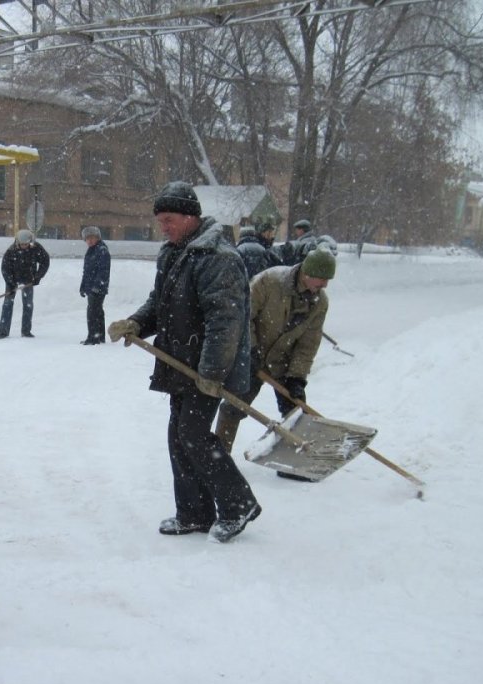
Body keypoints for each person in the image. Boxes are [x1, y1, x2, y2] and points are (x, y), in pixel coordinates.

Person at [107, 181, 260, 543]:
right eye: (161, 220)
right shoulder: (174, 253)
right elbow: (159, 303)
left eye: (169, 219)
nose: (164, 227)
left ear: (191, 217)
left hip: (204, 368)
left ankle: (239, 504)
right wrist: (137, 323)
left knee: (191, 435)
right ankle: (194, 513)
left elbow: (225, 323)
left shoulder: (218, 258)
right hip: (180, 363)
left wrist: (212, 373)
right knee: (179, 437)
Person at [213, 246, 335, 481]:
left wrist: (297, 377)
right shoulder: (269, 281)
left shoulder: (319, 302)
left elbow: (308, 343)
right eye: (322, 279)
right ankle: (219, 457)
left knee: (296, 411)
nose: (325, 285)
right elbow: (242, 316)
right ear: (308, 273)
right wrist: (249, 351)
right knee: (234, 405)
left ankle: (291, 464)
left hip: (283, 363)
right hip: (251, 356)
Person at [0, 229, 50, 339]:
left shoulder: (36, 248)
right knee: (7, 304)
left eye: (26, 244)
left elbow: (45, 261)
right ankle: (3, 332)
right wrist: (10, 282)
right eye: (21, 244)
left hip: (29, 281)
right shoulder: (11, 250)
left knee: (28, 305)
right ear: (17, 242)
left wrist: (38, 276)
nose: (24, 246)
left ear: (30, 242)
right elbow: (5, 268)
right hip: (12, 280)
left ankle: (26, 331)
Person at [79, 225, 111, 345]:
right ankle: (99, 337)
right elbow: (86, 271)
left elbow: (103, 271)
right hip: (91, 287)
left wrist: (97, 286)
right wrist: (83, 286)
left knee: (92, 312)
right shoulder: (91, 251)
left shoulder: (102, 250)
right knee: (97, 311)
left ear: (98, 238)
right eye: (87, 238)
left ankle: (93, 337)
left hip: (98, 288)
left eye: (93, 237)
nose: (90, 240)